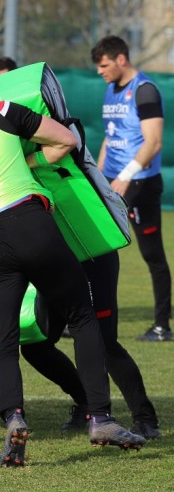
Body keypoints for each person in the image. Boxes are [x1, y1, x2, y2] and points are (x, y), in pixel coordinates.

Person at [0, 64, 145, 467]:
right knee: (82, 317)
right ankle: (101, 418)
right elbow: (66, 140)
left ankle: (14, 417)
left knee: (3, 343)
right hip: (29, 222)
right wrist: (29, 163)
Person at [21, 251, 161, 440]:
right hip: (53, 262)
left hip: (93, 256)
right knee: (36, 346)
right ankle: (85, 402)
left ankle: (145, 419)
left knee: (105, 343)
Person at [93, 35, 171, 342]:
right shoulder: (110, 89)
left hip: (139, 182)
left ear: (121, 59)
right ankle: (87, 319)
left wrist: (125, 176)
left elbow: (154, 142)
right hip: (114, 181)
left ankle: (162, 326)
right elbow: (110, 137)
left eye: (104, 65)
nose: (99, 71)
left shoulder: (145, 90)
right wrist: (97, 175)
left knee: (152, 254)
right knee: (95, 246)